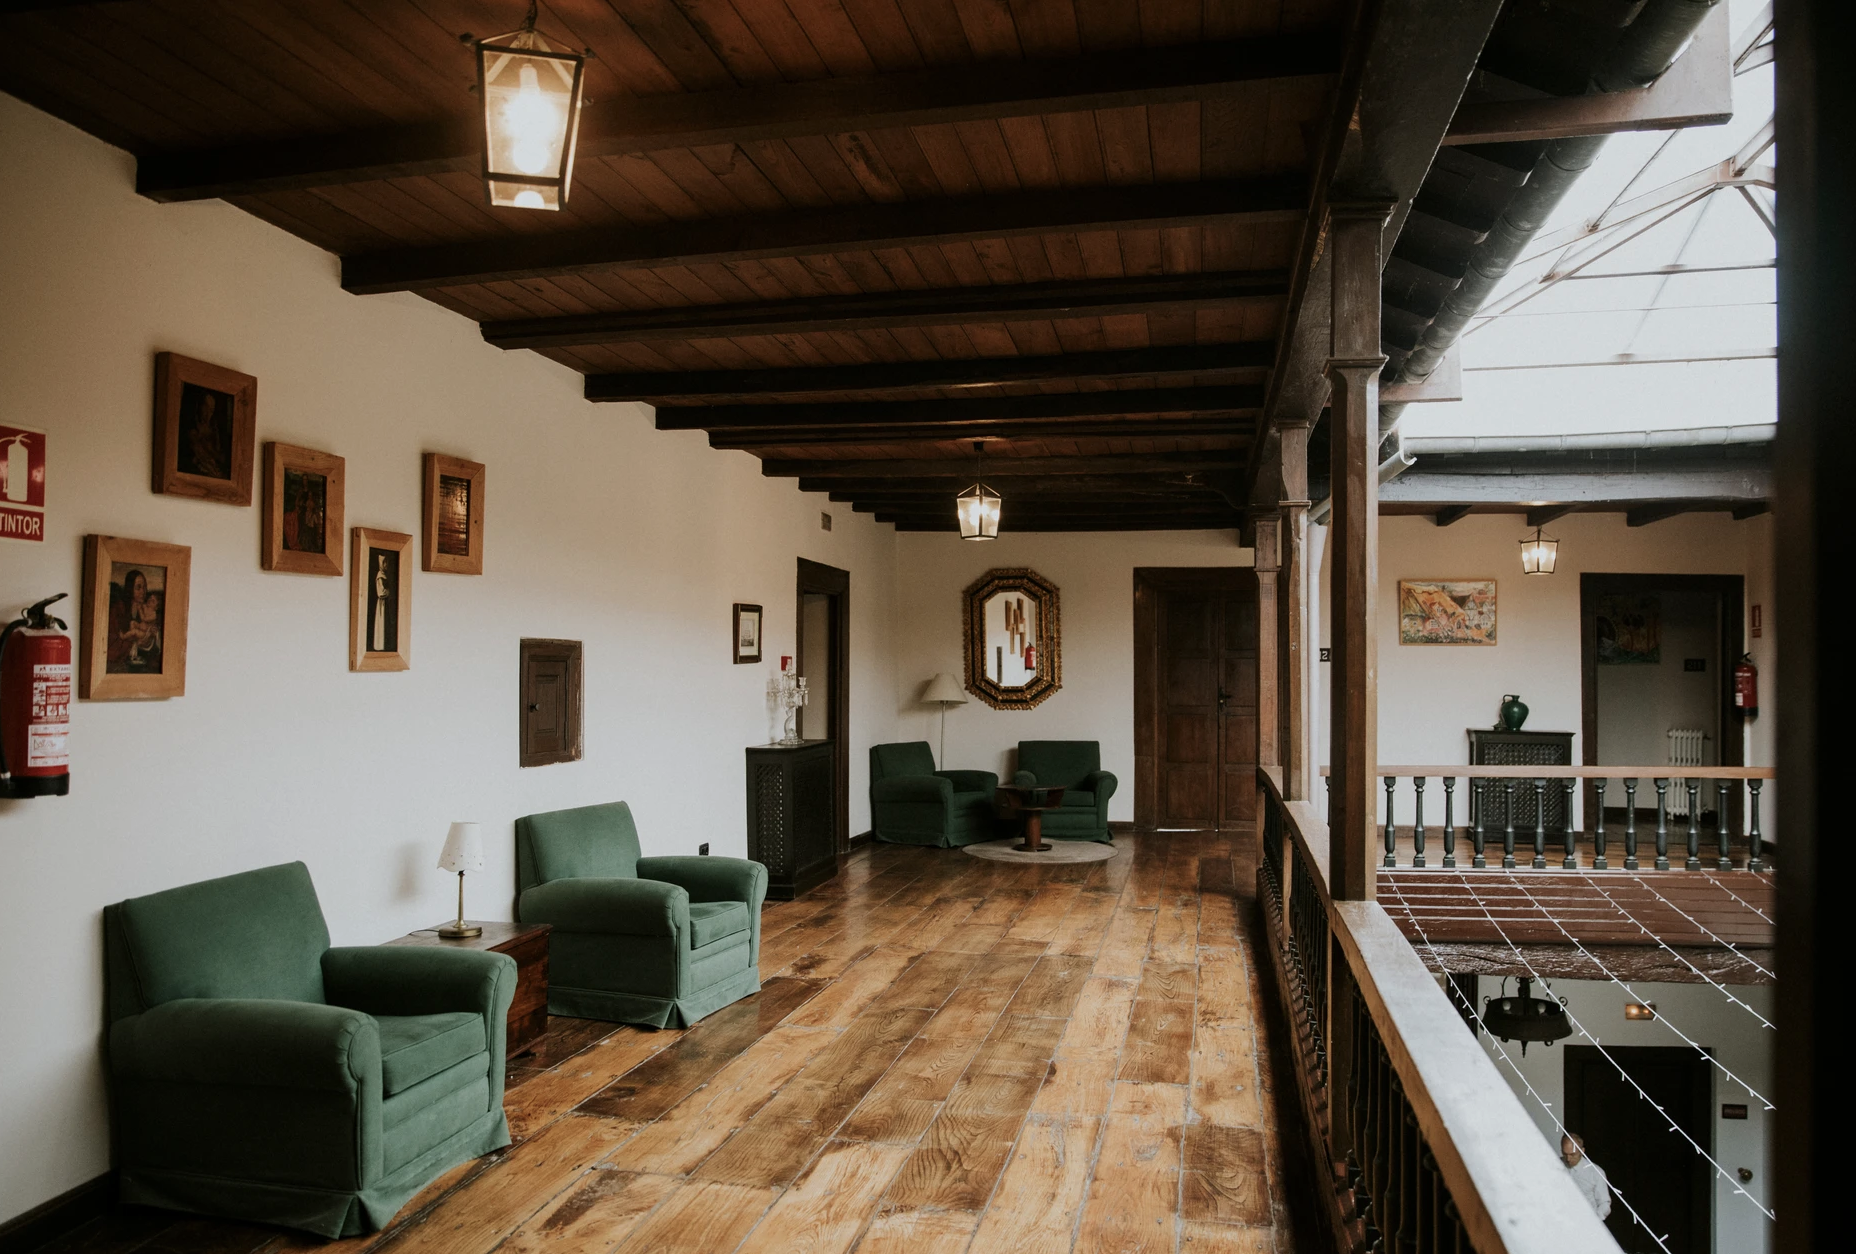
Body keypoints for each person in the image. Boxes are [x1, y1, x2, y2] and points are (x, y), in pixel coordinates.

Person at [1562, 1132, 1611, 1220]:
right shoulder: (1555, 1165)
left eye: (1572, 1155)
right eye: (1565, 1154)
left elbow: (1604, 1203)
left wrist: (1594, 1221)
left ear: (1582, 1151)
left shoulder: (1596, 1172)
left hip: (1586, 1223)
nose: (1568, 1159)